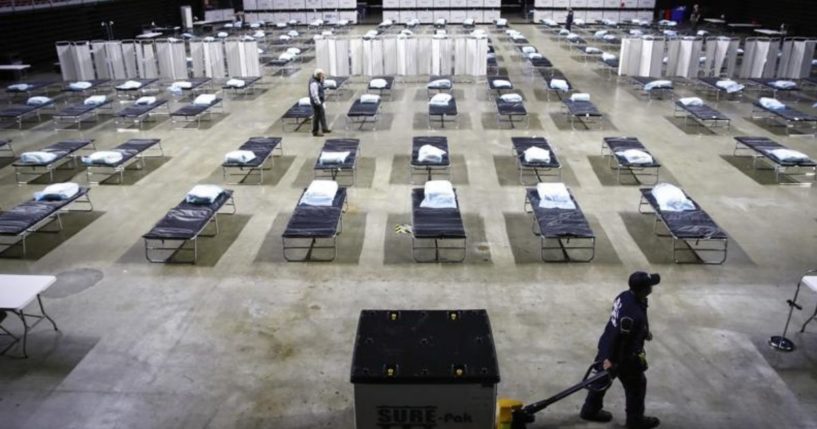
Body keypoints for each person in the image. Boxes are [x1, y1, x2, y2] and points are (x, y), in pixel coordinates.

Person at [580, 271, 662, 429]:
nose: (652, 287)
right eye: (650, 285)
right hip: (622, 354)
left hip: (607, 344)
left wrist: (644, 332)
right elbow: (619, 337)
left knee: (601, 380)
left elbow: (624, 326)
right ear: (643, 289)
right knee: (637, 385)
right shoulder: (632, 314)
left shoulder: (625, 296)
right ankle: (635, 421)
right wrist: (609, 360)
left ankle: (590, 410)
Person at [308, 68, 331, 137]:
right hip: (316, 102)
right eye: (321, 75)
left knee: (322, 114)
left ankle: (324, 128)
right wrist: (318, 103)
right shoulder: (314, 83)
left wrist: (322, 80)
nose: (322, 76)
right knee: (316, 116)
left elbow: (322, 85)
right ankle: (315, 132)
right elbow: (314, 94)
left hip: (320, 100)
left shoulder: (317, 80)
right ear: (318, 75)